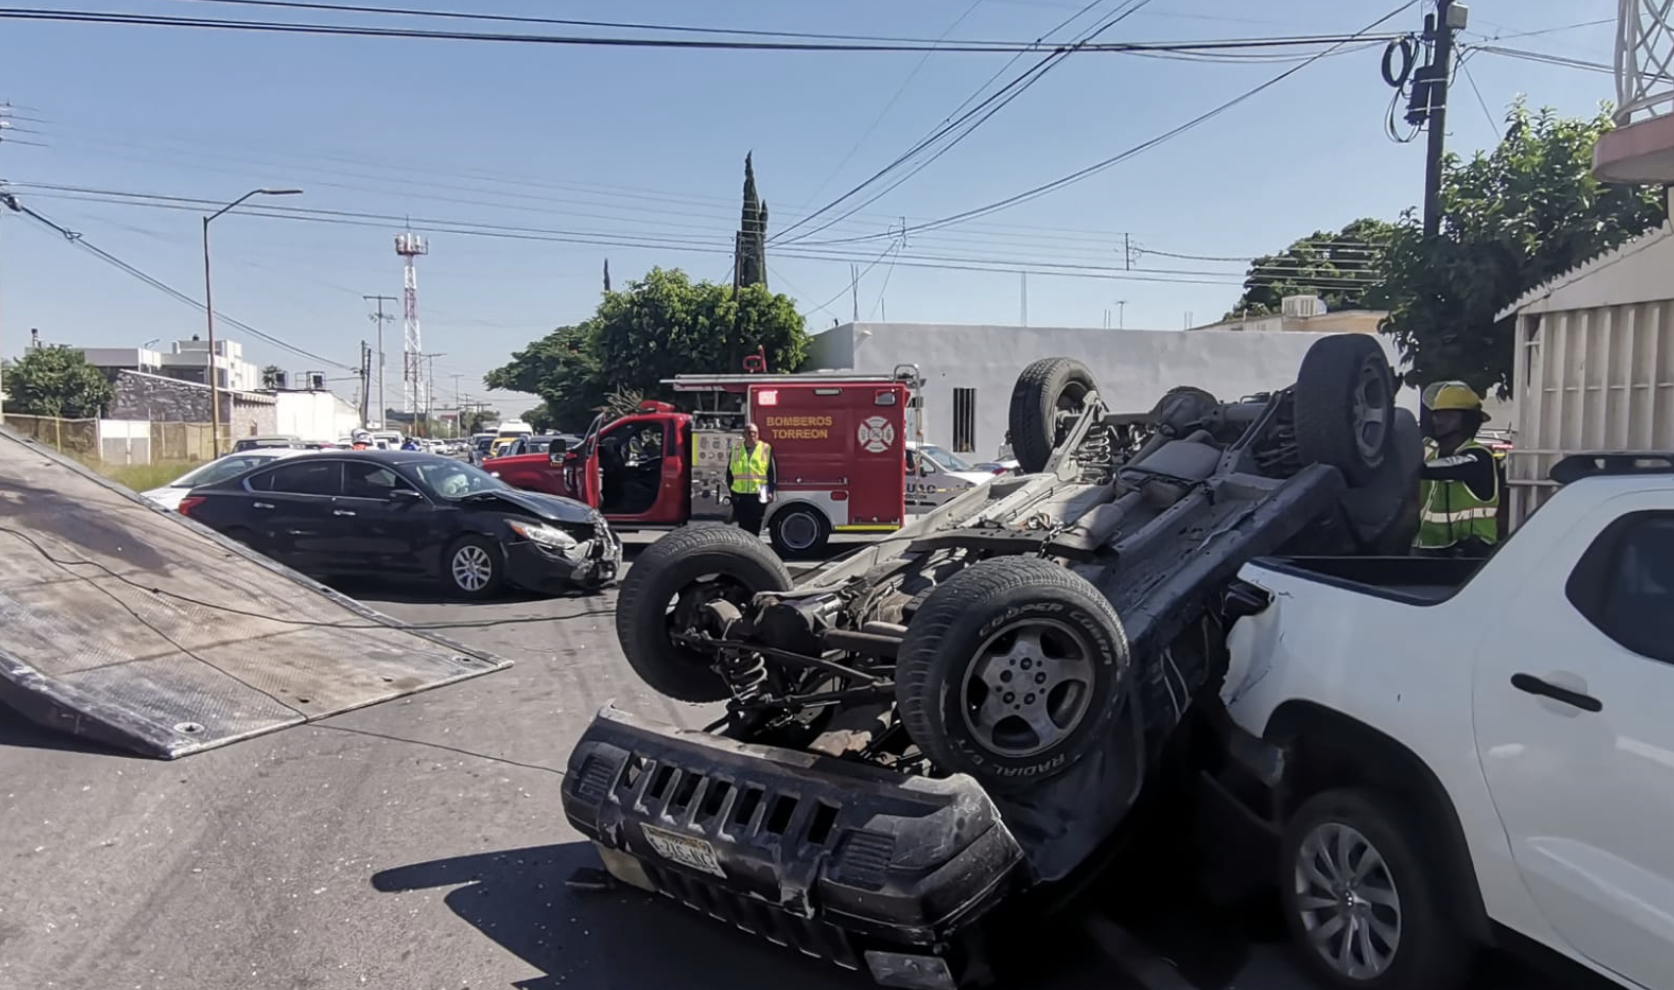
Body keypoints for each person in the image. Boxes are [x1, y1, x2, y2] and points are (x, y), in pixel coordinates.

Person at [1415, 380, 1505, 558]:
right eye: (1437, 415)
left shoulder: (1479, 458)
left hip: (1472, 556)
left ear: (1468, 421)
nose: (1438, 421)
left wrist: (1411, 465)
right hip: (1428, 552)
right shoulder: (1428, 452)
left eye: (1448, 416)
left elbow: (1448, 467)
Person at [726, 422, 776, 537]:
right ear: (744, 435)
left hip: (760, 492)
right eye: (749, 432)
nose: (752, 435)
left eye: (755, 433)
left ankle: (754, 546)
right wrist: (732, 491)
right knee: (743, 525)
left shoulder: (765, 448)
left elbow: (771, 473)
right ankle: (746, 548)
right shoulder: (736, 449)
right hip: (740, 493)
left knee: (756, 523)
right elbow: (729, 473)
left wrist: (770, 491)